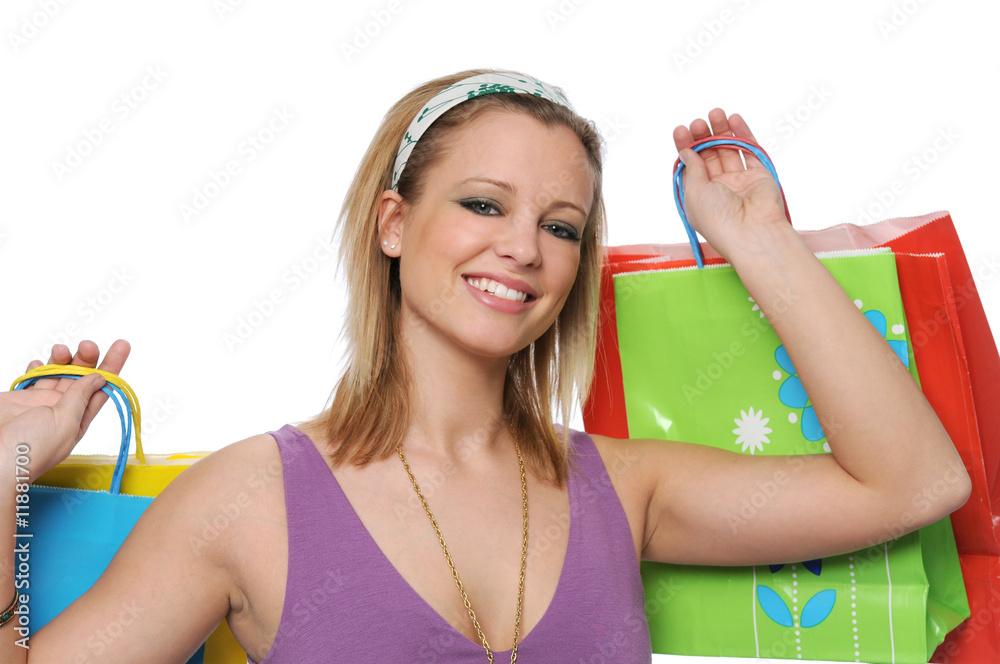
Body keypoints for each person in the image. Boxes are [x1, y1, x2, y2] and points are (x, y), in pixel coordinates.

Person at [0, 68, 971, 663]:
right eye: (481, 204)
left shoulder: (619, 488)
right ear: (393, 222)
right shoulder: (247, 499)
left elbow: (913, 482)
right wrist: (7, 467)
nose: (523, 247)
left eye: (560, 226)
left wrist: (758, 240)